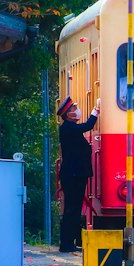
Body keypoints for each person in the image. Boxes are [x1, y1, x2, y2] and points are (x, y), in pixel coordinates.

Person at [57, 96, 98, 253]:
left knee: (73, 209)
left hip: (75, 174)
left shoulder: (69, 128)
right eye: (74, 108)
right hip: (73, 175)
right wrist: (96, 111)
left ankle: (69, 242)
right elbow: (88, 125)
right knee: (71, 210)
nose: (77, 110)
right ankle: (66, 244)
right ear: (68, 114)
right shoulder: (68, 128)